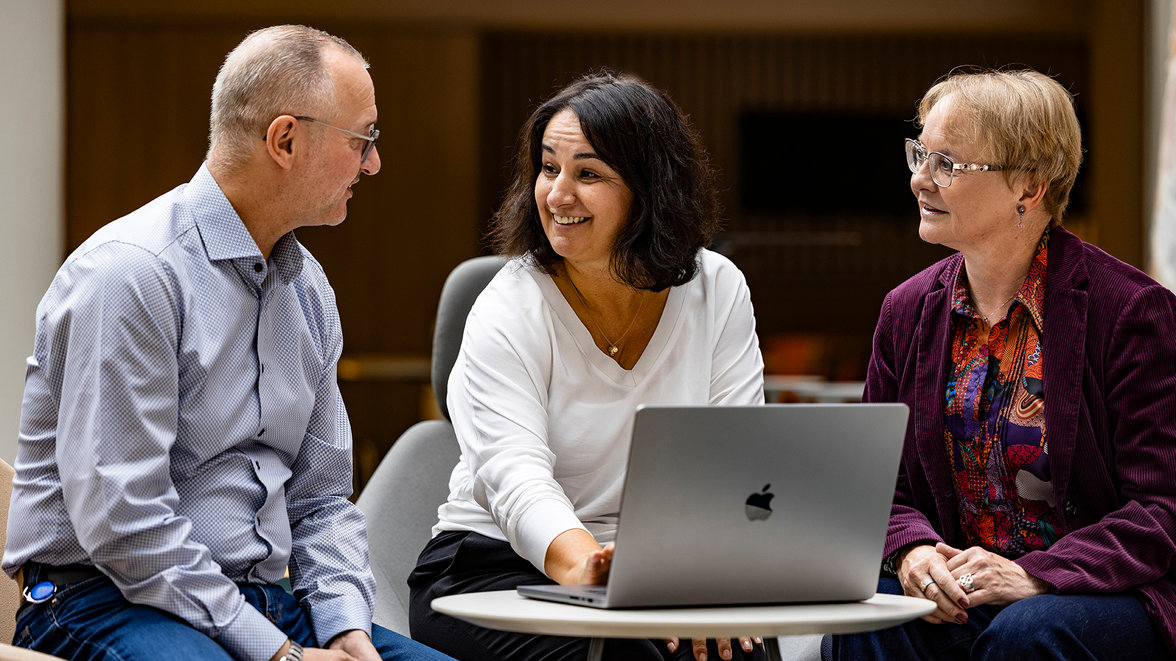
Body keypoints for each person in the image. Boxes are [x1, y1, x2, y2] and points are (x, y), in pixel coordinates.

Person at [2, 25, 453, 661]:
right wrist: (281, 657)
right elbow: (126, 526)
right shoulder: (130, 273)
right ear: (286, 140)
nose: (374, 162)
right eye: (364, 139)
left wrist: (347, 633)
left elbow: (322, 499)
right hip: (105, 601)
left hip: (265, 601)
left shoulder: (308, 289)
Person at [407, 71, 768, 661]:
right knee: (631, 655)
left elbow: (734, 457)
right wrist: (593, 570)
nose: (557, 194)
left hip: (658, 569)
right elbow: (516, 480)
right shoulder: (507, 305)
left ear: (651, 190)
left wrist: (700, 576)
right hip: (494, 565)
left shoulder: (717, 288)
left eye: (588, 173)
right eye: (549, 168)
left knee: (737, 652)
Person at [825, 67, 1176, 659]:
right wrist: (912, 553)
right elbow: (874, 486)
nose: (918, 180)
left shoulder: (1134, 313)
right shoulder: (906, 311)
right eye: (919, 155)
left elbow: (1162, 509)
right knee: (869, 621)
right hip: (961, 593)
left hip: (1099, 594)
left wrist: (1040, 575)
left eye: (948, 164)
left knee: (1028, 631)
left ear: (1030, 186)